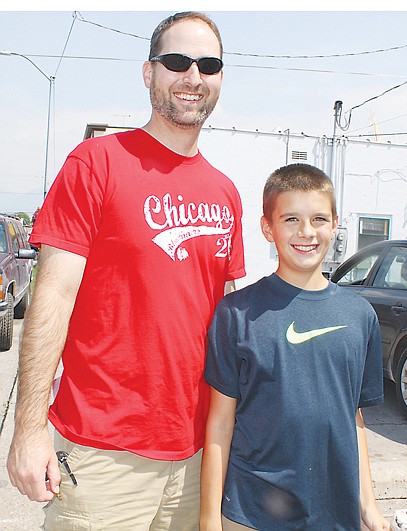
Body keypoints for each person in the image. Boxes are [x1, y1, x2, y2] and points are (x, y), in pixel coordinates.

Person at [7, 11, 245, 531]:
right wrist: (28, 429)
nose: (193, 76)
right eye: (177, 61)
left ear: (221, 77)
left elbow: (228, 318)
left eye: (208, 65)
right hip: (102, 453)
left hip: (196, 456)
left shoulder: (225, 192)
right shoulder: (96, 163)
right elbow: (53, 298)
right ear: (148, 73)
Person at [201, 163, 390, 531]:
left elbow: (355, 419)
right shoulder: (237, 313)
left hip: (335, 512)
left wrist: (369, 506)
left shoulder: (360, 315)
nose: (306, 232)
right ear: (267, 227)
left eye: (319, 219)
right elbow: (220, 424)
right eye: (291, 220)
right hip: (251, 512)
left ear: (335, 225)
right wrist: (210, 520)